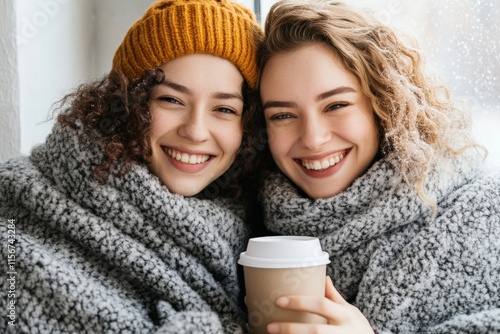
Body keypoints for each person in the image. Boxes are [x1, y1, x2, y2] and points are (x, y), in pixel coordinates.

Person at [0, 0, 263, 332]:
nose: (195, 131)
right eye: (171, 100)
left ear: (249, 124)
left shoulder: (257, 228)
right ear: (127, 103)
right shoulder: (20, 211)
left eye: (224, 109)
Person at [253, 0, 500, 333]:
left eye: (336, 105)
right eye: (283, 115)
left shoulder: (483, 214)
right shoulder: (254, 231)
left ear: (383, 104)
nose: (312, 138)